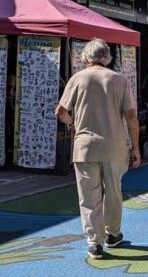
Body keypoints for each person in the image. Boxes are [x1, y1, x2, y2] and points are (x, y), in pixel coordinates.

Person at [55, 38, 140, 259]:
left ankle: (94, 242)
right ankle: (113, 233)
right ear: (107, 58)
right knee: (113, 191)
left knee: (89, 194)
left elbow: (60, 111)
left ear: (86, 57)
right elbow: (130, 115)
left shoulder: (77, 79)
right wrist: (136, 147)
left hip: (85, 145)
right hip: (114, 145)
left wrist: (73, 123)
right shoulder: (118, 79)